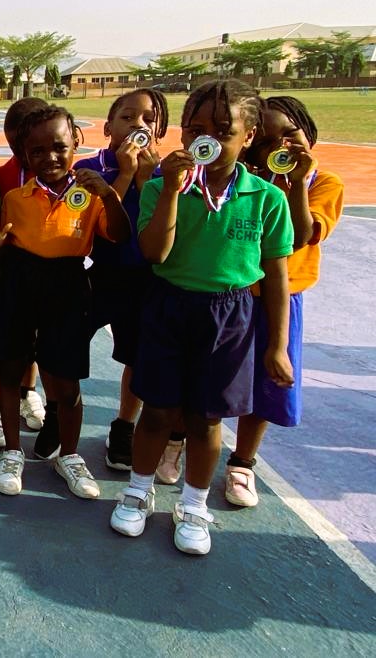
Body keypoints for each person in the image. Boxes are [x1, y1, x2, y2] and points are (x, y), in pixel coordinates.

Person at [110, 79, 293, 556]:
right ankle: (138, 491)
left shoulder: (266, 198)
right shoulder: (160, 186)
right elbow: (155, 252)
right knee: (158, 410)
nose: (205, 140)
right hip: (169, 306)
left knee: (206, 419)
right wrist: (172, 191)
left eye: (222, 131)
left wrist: (277, 345)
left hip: (230, 314)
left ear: (248, 136)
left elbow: (277, 276)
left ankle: (193, 504)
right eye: (194, 130)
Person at [0, 105, 130, 499]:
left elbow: (118, 235)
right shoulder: (15, 198)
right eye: (37, 151)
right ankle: (12, 452)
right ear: (24, 155)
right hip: (20, 283)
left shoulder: (92, 195)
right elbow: (5, 250)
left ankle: (69, 455)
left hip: (68, 286)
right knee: (11, 371)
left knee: (66, 381)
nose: (49, 157)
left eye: (58, 147)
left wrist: (109, 195)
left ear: (75, 144)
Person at [225, 96, 344, 507]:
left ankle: (242, 462)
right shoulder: (243, 183)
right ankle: (178, 438)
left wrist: (295, 186)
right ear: (251, 146)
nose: (282, 146)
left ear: (308, 133)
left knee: (268, 381)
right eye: (267, 141)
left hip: (283, 297)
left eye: (291, 134)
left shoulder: (324, 183)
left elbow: (301, 234)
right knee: (210, 372)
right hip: (233, 293)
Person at [74, 88, 168, 472]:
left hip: (146, 280)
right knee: (69, 342)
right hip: (99, 274)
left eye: (148, 119)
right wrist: (126, 175)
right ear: (108, 126)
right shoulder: (88, 167)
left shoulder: (166, 174)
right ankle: (60, 412)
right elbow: (96, 222)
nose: (137, 125)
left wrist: (145, 178)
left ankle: (125, 426)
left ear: (159, 130)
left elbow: (160, 228)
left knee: (136, 356)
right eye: (127, 117)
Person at [0, 97, 49, 449]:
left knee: (36, 338)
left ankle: (28, 391)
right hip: (9, 271)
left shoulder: (59, 173)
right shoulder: (2, 176)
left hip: (46, 274)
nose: (19, 152)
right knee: (1, 338)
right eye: (12, 145)